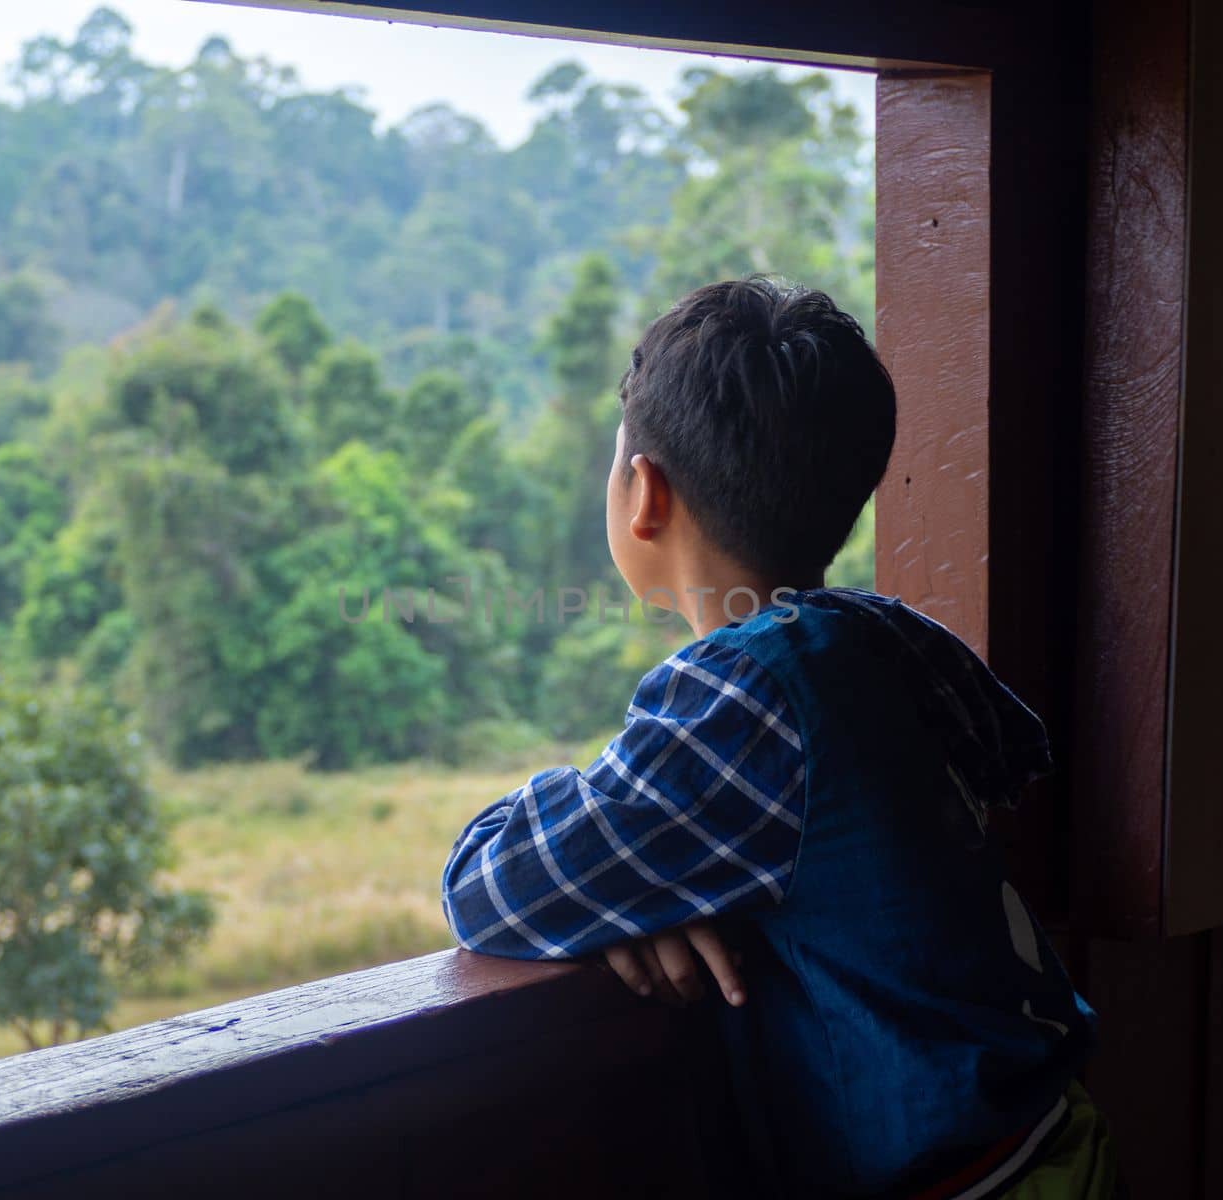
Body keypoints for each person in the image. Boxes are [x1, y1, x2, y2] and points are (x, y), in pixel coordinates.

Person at [441, 277, 1117, 1199]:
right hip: (1055, 1139)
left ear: (644, 493)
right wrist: (689, 883)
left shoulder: (742, 698)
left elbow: (493, 887)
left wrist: (659, 883)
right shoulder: (879, 634)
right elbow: (997, 760)